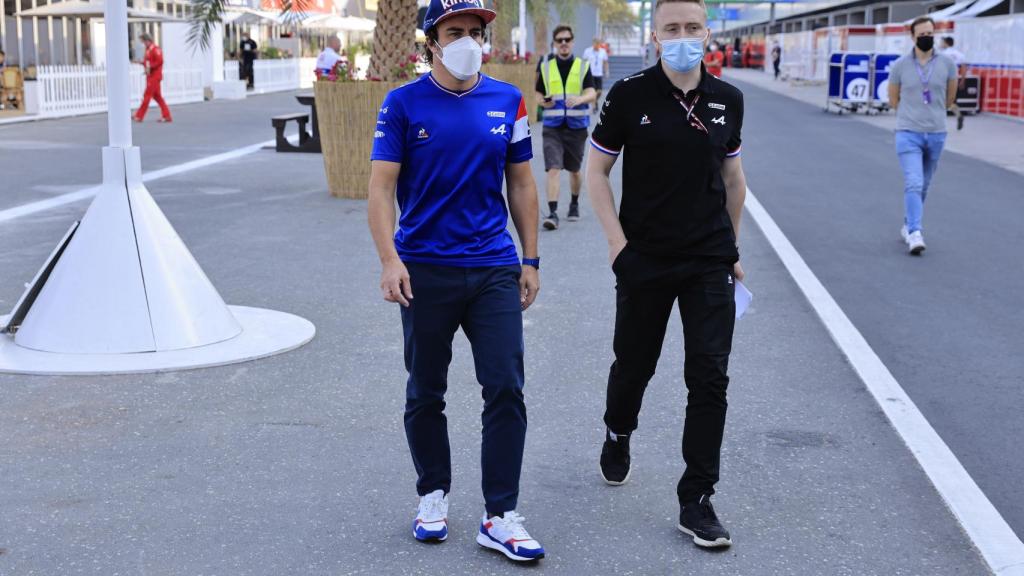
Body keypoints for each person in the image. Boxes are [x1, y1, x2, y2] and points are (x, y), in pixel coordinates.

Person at [367, 0, 545, 563]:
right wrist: (390, 259)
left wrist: (531, 257)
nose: (468, 39)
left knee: (506, 388)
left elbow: (520, 182)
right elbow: (380, 188)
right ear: (431, 42)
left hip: (493, 265)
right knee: (426, 390)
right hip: (425, 269)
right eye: (455, 31)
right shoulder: (402, 104)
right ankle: (433, 496)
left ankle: (500, 515)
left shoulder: (507, 100)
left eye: (475, 31)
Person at [587, 0, 748, 549]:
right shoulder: (629, 95)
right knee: (634, 364)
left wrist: (731, 249)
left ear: (708, 33)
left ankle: (697, 498)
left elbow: (734, 180)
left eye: (693, 28)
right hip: (645, 259)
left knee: (709, 378)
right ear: (655, 36)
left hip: (707, 261)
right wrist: (617, 247)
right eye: (672, 28)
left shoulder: (729, 100)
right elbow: (597, 171)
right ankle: (618, 429)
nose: (683, 37)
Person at [887, 16, 957, 255]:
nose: (926, 37)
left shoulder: (947, 64)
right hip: (908, 133)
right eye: (922, 34)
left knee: (924, 185)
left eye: (930, 33)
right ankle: (915, 232)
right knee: (914, 182)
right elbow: (893, 99)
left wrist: (934, 114)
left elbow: (949, 98)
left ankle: (908, 224)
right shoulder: (900, 65)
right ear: (912, 37)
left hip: (937, 133)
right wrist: (911, 116)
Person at [535, 25, 597, 229]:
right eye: (559, 40)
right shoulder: (544, 65)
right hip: (552, 126)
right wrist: (544, 101)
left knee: (574, 170)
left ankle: (574, 203)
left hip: (577, 127)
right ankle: (552, 213)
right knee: (553, 168)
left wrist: (580, 99)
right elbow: (537, 95)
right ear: (554, 43)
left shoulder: (582, 65)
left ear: (572, 42)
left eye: (567, 40)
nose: (563, 43)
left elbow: (592, 93)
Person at [133, 34, 172, 123]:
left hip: (155, 76)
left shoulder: (155, 49)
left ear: (148, 40)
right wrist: (141, 62)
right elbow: (148, 62)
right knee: (158, 97)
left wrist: (149, 66)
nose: (143, 44)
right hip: (150, 76)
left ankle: (139, 116)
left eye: (144, 41)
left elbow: (159, 61)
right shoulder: (148, 50)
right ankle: (167, 115)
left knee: (147, 95)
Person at [583, 37, 610, 114]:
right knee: (593, 91)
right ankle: (594, 106)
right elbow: (584, 62)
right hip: (590, 74)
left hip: (599, 74)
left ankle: (594, 102)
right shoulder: (587, 51)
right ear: (593, 43)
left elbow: (605, 62)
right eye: (596, 43)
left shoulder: (603, 52)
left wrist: (607, 71)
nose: (597, 45)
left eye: (599, 43)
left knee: (599, 92)